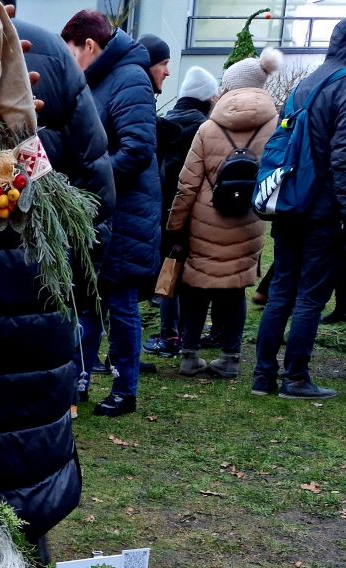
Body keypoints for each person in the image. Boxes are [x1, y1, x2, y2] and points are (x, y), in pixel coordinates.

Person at [0, 19, 115, 544]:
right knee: (25, 478)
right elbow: (96, 193)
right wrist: (50, 248)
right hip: (36, 300)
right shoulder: (49, 49)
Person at [253, 12, 346, 400]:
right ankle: (296, 378)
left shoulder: (306, 82)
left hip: (289, 203)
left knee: (282, 288)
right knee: (311, 297)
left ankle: (263, 376)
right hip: (323, 210)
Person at [62, 10, 161, 417]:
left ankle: (125, 388)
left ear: (90, 45)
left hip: (125, 214)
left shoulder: (130, 77)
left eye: (72, 52)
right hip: (99, 212)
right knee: (87, 300)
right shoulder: (97, 81)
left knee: (119, 303)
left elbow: (137, 147)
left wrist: (93, 182)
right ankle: (80, 379)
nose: (69, 62)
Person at [166, 49, 280, 379]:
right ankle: (230, 358)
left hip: (205, 220)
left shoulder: (209, 127)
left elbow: (187, 185)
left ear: (230, 86)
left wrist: (175, 226)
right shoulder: (275, 125)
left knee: (197, 287)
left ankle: (189, 356)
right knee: (235, 288)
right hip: (248, 221)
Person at [144, 66, 218, 358]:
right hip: (190, 211)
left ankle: (168, 333)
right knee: (189, 277)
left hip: (161, 209)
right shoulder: (203, 128)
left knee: (169, 271)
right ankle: (183, 336)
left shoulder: (166, 122)